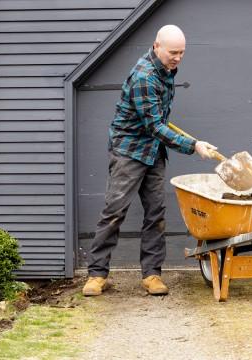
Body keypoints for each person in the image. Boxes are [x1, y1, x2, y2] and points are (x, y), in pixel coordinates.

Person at [82, 25, 217, 297]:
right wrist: (194, 146)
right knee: (114, 211)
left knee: (155, 214)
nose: (178, 58)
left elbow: (156, 122)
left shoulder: (165, 71)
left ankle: (152, 275)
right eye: (173, 52)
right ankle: (97, 275)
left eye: (182, 53)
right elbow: (155, 125)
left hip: (153, 150)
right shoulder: (145, 76)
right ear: (157, 47)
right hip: (129, 150)